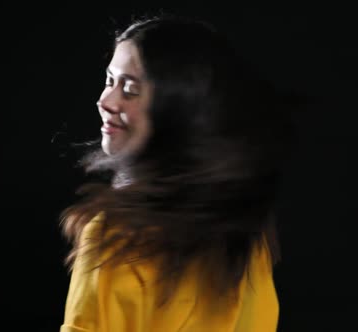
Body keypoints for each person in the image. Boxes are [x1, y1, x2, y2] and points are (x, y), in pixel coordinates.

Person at [59, 14, 299, 332]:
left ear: (176, 110)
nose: (105, 100)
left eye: (130, 90)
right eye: (109, 81)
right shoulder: (246, 238)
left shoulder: (114, 237)